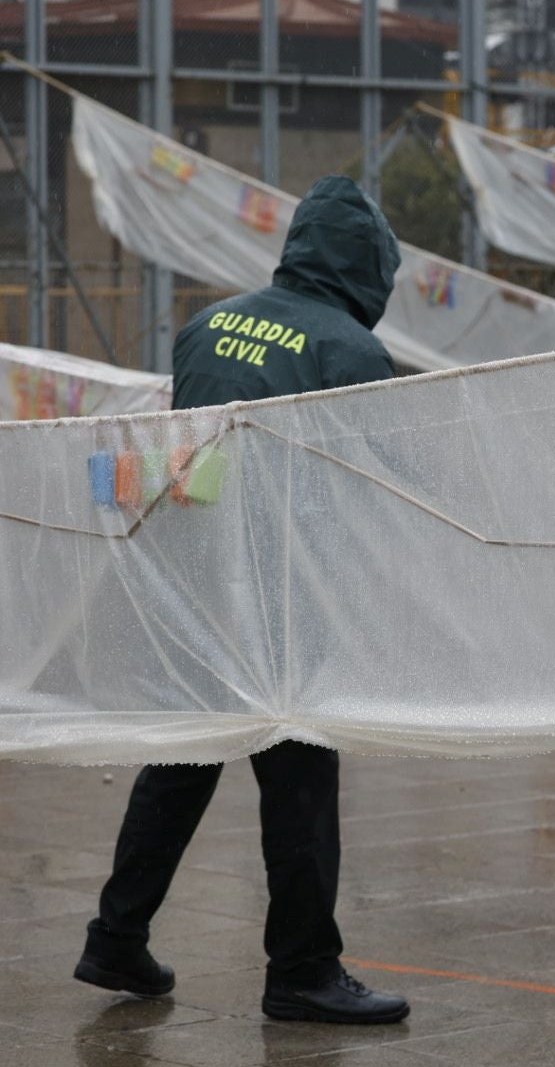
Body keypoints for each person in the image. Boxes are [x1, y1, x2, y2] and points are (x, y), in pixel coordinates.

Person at [73, 176, 409, 1025]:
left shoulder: (205, 324)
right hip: (284, 598)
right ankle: (303, 969)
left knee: (182, 764)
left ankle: (116, 939)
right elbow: (377, 487)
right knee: (299, 783)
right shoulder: (352, 354)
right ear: (370, 264)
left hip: (193, 585)